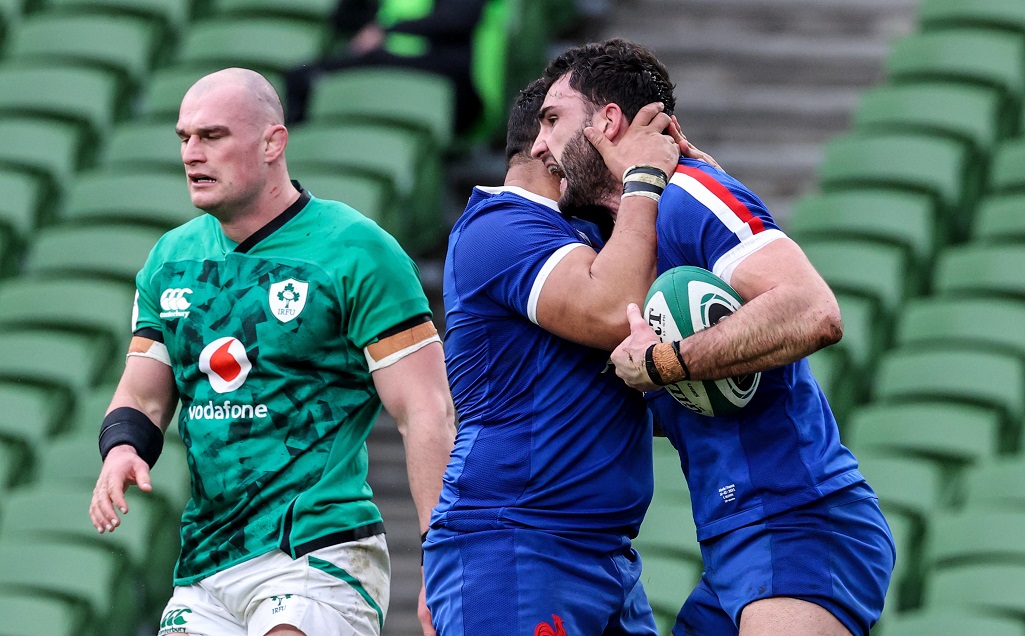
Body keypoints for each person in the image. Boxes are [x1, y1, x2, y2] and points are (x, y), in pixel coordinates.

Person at [531, 39, 895, 636]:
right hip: (734, 543)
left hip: (799, 520)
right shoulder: (615, 247)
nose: (540, 144)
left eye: (552, 120)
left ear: (609, 123)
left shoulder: (687, 195)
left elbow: (814, 309)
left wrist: (666, 362)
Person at [88, 67, 456, 636]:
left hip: (317, 550)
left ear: (272, 143)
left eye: (212, 137)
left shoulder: (358, 251)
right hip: (207, 561)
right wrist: (121, 449)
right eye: (184, 138)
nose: (192, 153)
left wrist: (442, 560)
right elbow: (143, 393)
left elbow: (426, 411)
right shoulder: (170, 259)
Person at [421, 69, 685, 634]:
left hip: (602, 552)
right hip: (513, 540)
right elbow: (613, 310)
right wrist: (641, 181)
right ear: (549, 143)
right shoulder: (498, 226)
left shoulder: (586, 239)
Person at [284, 0, 486, 131]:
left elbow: (457, 20)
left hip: (450, 74)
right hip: (382, 57)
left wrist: (388, 30)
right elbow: (345, 19)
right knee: (299, 76)